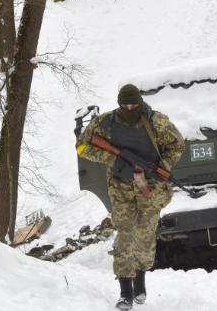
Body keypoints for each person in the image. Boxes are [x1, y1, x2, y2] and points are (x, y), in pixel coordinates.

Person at [76, 84, 184, 310]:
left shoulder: (156, 121)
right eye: (125, 104)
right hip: (120, 186)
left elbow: (177, 145)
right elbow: (82, 146)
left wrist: (160, 166)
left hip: (150, 188)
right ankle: (125, 291)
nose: (129, 107)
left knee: (145, 236)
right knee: (125, 234)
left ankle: (140, 280)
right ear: (118, 102)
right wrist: (113, 159)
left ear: (140, 101)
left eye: (133, 104)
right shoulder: (105, 123)